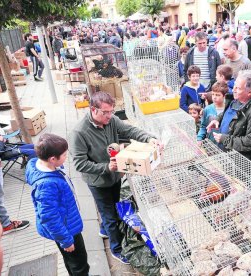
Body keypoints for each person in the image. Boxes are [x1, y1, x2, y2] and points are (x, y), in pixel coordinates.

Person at [69, 92, 162, 265]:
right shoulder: (79, 133)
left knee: (114, 203)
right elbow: (79, 164)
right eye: (105, 112)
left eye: (112, 111)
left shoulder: (111, 120)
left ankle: (104, 229)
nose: (110, 116)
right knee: (110, 214)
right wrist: (106, 167)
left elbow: (130, 130)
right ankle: (116, 249)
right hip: (98, 181)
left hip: (115, 175)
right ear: (93, 109)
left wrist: (150, 139)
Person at [25, 133, 90, 276]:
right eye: (65, 155)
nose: (67, 157)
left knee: (71, 260)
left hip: (66, 223)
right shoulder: (46, 185)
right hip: (66, 229)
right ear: (53, 159)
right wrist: (66, 241)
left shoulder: (40, 164)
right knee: (79, 263)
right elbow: (49, 217)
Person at [207, 70, 251, 162]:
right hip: (225, 154)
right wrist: (218, 119)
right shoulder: (235, 100)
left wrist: (225, 139)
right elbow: (227, 114)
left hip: (238, 161)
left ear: (250, 92)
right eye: (234, 86)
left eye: (238, 88)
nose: (233, 90)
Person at [197, 81, 228, 146]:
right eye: (213, 94)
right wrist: (199, 138)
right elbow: (203, 126)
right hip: (211, 143)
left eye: (217, 95)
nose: (214, 97)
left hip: (225, 143)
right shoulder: (207, 109)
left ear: (224, 96)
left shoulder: (229, 109)